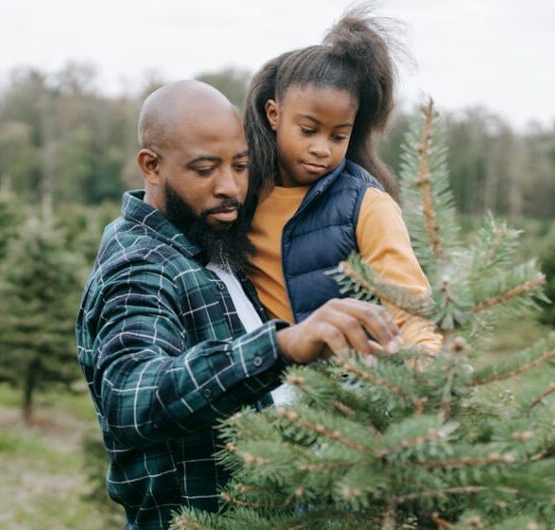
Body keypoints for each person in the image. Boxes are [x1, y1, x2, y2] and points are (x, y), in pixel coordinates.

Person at [75, 80, 402, 530]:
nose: (230, 187)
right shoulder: (141, 266)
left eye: (241, 165)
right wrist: (282, 346)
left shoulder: (210, 241)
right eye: (205, 169)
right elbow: (132, 396)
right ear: (151, 166)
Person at [242, 9, 442, 398]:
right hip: (258, 386)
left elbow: (409, 301)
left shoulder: (365, 203)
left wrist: (429, 371)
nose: (321, 149)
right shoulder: (241, 195)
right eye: (308, 130)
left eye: (338, 136)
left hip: (344, 396)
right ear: (273, 114)